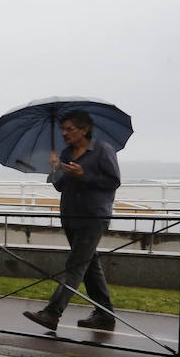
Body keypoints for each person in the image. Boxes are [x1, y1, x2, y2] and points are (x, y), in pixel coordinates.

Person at [22, 109, 121, 332]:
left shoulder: (103, 150)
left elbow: (113, 182)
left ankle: (52, 313)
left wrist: (83, 175)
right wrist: (56, 169)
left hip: (93, 216)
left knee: (75, 265)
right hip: (70, 216)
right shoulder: (66, 153)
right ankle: (104, 313)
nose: (65, 133)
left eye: (69, 129)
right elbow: (59, 186)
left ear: (84, 129)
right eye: (63, 129)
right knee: (89, 265)